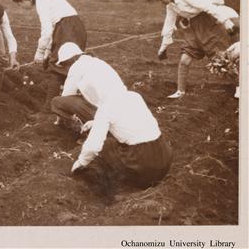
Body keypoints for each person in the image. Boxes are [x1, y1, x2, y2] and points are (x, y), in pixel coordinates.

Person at [51, 43, 172, 191]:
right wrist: (95, 123)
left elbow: (93, 147)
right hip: (164, 158)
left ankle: (116, 188)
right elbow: (126, 123)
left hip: (142, 165)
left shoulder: (105, 108)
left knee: (105, 148)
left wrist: (80, 163)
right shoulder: (134, 97)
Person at [149, 0, 236, 98]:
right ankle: (180, 91)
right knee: (184, 59)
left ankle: (240, 86)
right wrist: (163, 47)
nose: (161, 2)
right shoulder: (170, 5)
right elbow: (169, 23)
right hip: (193, 28)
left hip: (208, 24)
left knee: (221, 60)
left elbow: (208, 7)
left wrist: (226, 21)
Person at [12, 0, 86, 113]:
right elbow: (53, 31)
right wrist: (47, 52)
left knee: (56, 68)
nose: (21, 7)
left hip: (68, 29)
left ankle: (48, 109)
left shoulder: (41, 1)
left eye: (19, 4)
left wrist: (39, 53)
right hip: (74, 27)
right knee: (68, 64)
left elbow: (46, 31)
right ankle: (69, 98)